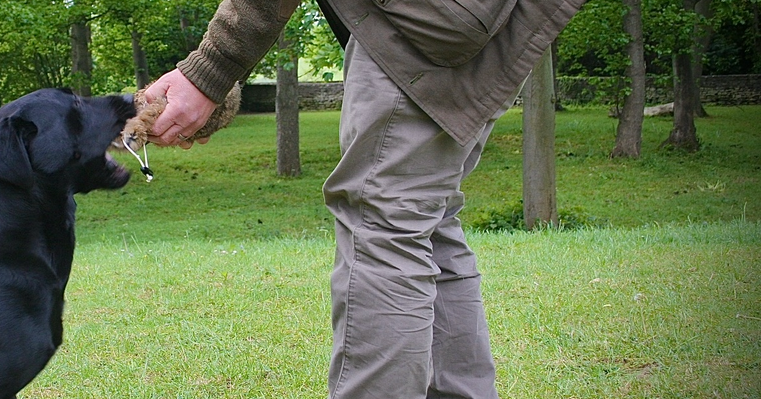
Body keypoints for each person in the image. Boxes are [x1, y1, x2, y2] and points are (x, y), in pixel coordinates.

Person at [142, 0, 584, 398]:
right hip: (475, 21)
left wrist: (211, 69)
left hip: (425, 27)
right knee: (424, 219)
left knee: (385, 221)